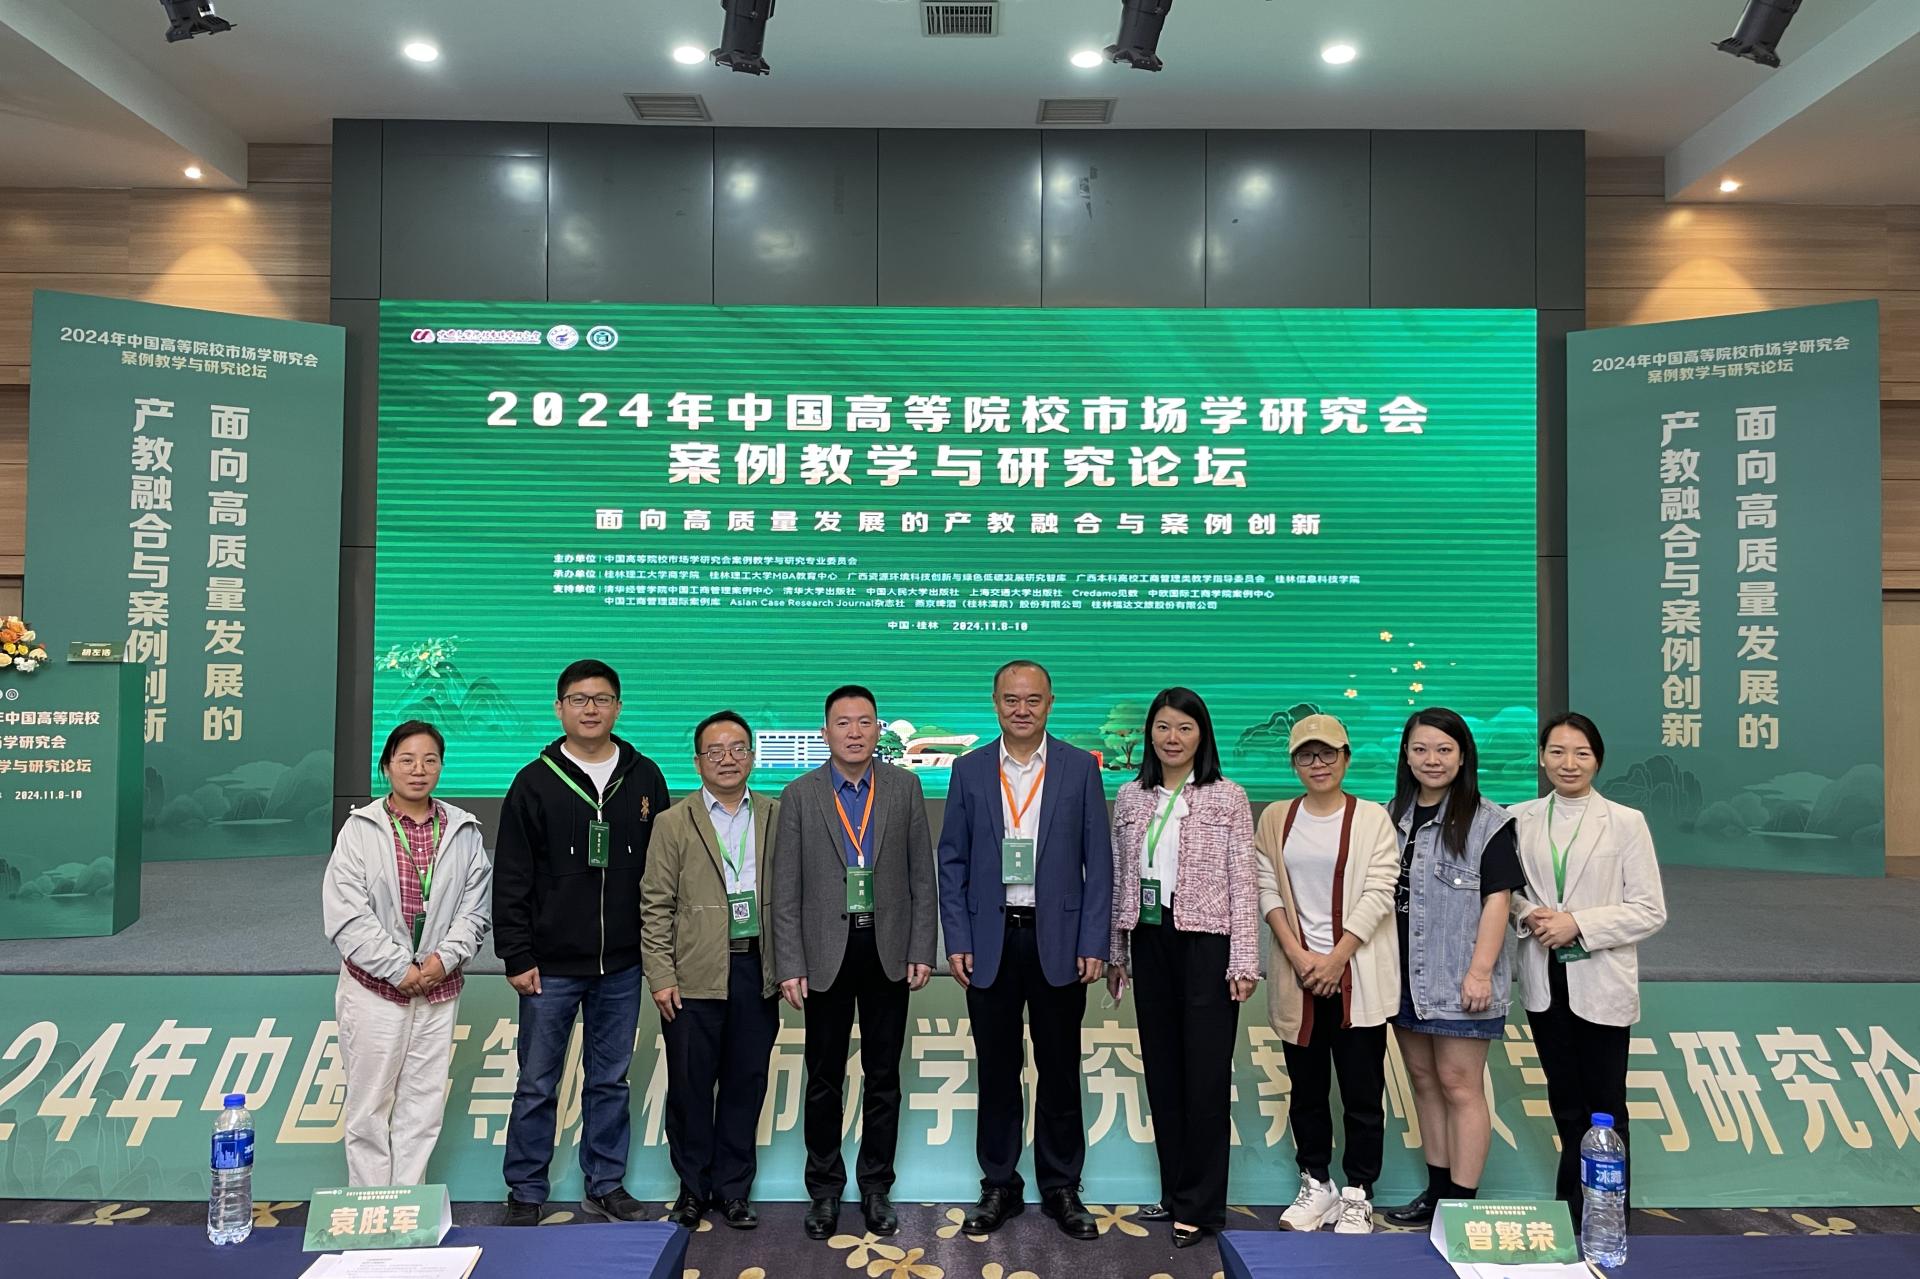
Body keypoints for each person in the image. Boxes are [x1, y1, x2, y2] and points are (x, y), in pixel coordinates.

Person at [936, 660, 1111, 1240]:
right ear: (995, 703)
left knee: (1059, 1068)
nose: (1022, 709)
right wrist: (957, 937)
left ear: (1050, 703)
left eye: (1033, 699)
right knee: (997, 1070)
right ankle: (999, 1184)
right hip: (991, 939)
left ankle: (1062, 1186)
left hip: (1058, 939)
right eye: (1011, 699)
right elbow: (952, 861)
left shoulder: (1080, 768)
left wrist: (1094, 939)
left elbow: (1099, 863)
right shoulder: (968, 769)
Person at [493, 660, 671, 1226]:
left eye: (601, 699)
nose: (590, 709)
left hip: (622, 963)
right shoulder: (533, 781)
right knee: (537, 1083)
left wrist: (657, 950)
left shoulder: (645, 777)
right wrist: (516, 953)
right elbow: (513, 875)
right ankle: (526, 1190)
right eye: (578, 699)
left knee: (609, 1080)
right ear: (559, 708)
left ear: (618, 707)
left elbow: (662, 872)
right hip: (549, 965)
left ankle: (606, 1183)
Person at [772, 685, 937, 1241]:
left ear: (877, 729)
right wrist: (790, 962)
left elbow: (921, 877)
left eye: (865, 721)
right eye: (843, 723)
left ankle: (875, 1187)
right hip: (824, 953)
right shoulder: (799, 794)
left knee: (884, 1076)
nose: (854, 732)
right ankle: (823, 1189)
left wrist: (922, 947)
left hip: (887, 949)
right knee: (823, 1077)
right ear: (825, 732)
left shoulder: (905, 787)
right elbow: (786, 887)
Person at [1106, 687, 1260, 1249]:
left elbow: (1244, 881)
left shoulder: (1228, 796)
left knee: (1205, 1076)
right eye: (1164, 727)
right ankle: (1174, 1192)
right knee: (1163, 1072)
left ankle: (1201, 1204)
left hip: (1208, 942)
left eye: (1185, 728)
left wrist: (1245, 958)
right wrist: (1118, 952)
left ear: (1202, 735)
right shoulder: (1130, 796)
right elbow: (1120, 878)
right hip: (1149, 938)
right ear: (1150, 733)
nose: (1173, 738)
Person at [323, 721, 492, 1187]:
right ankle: (370, 1204)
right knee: (369, 1105)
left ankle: (407, 1204)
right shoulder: (360, 830)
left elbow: (474, 911)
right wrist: (399, 968)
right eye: (407, 760)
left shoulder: (463, 831)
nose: (419, 770)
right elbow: (346, 914)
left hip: (438, 987)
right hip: (374, 989)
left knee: (423, 1105)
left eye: (429, 760)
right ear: (386, 766)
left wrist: (442, 962)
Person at [1510, 713, 1668, 1210]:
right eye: (1557, 751)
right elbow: (1507, 892)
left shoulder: (1625, 822)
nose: (1569, 763)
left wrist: (1578, 924)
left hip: (1600, 977)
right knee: (1564, 1099)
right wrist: (1527, 913)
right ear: (1542, 757)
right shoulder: (1518, 818)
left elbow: (1649, 910)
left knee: (1605, 1104)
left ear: (1598, 760)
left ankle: (1607, 1210)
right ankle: (1572, 1204)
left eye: (1581, 753)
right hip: (1543, 977)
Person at [1253, 714, 1400, 1234]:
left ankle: (1359, 1191)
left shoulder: (1372, 818)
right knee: (1307, 1089)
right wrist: (1298, 955)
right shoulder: (1276, 817)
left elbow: (1381, 890)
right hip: (1299, 977)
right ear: (1294, 763)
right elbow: (1266, 885)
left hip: (1357, 975)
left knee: (1362, 1093)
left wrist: (1337, 958)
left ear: (1346, 757)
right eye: (1306, 755)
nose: (1318, 764)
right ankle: (1316, 1183)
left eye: (1328, 753)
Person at [1379, 707, 1524, 1228]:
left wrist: (1481, 972)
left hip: (1460, 979)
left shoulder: (1488, 821)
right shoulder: (1389, 815)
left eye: (1444, 750)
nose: (1432, 760)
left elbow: (1498, 900)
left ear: (1463, 756)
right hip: (1401, 977)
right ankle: (1437, 1193)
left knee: (1461, 1086)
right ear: (1406, 754)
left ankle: (1462, 1203)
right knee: (1423, 1081)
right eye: (1420, 749)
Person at [641, 711, 784, 1231]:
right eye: (715, 751)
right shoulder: (672, 822)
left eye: (738, 748)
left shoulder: (776, 815)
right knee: (690, 1087)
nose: (728, 759)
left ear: (753, 756)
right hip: (692, 973)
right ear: (698, 761)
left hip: (756, 969)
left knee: (747, 1083)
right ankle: (692, 1189)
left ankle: (734, 1191)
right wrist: (661, 974)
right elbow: (655, 904)